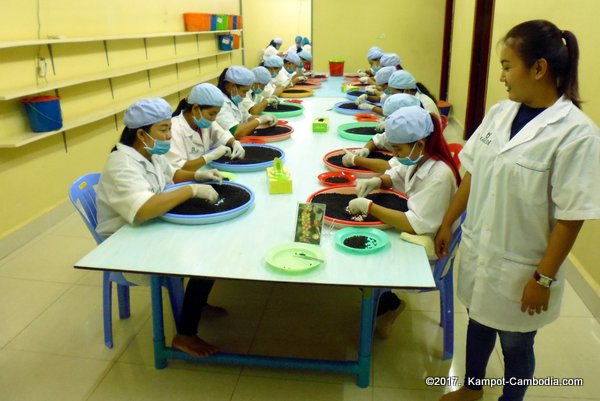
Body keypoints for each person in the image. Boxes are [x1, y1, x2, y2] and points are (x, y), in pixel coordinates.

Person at [434, 20, 600, 401]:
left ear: (538, 68)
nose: (502, 76)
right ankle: (471, 391)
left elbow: (572, 217)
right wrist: (448, 220)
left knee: (516, 345)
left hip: (524, 266)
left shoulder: (576, 135)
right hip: (482, 252)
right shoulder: (499, 113)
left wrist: (542, 279)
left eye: (508, 66)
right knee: (477, 321)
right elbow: (472, 172)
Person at [96, 98, 226, 358]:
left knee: (213, 243)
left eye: (169, 128)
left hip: (149, 227)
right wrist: (191, 190)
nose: (169, 135)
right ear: (141, 134)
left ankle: (196, 302)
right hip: (127, 244)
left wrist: (199, 176)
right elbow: (142, 209)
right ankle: (184, 336)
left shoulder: (149, 154)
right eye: (164, 130)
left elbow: (173, 174)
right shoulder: (122, 164)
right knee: (206, 256)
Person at [347, 106, 461, 339]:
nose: (395, 155)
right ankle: (384, 302)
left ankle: (389, 304)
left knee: (361, 258)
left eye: (398, 150)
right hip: (419, 227)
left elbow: (414, 224)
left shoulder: (439, 175)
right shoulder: (417, 159)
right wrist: (378, 181)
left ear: (420, 144)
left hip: (426, 247)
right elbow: (396, 175)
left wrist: (369, 207)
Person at [166, 83, 245, 171]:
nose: (214, 118)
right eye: (211, 114)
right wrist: (209, 157)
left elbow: (222, 135)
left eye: (216, 114)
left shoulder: (204, 121)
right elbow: (177, 170)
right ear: (195, 109)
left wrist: (234, 143)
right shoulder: (174, 130)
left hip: (203, 173)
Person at [344, 93, 422, 173]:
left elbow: (392, 168)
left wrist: (356, 160)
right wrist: (365, 150)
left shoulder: (414, 137)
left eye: (390, 119)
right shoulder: (402, 131)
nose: (394, 154)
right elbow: (378, 140)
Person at [216, 66, 277, 139]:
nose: (245, 96)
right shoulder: (219, 104)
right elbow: (236, 132)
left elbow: (247, 117)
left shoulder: (234, 98)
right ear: (232, 86)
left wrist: (266, 118)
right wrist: (259, 120)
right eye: (244, 91)